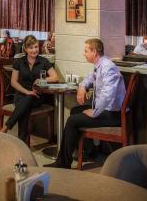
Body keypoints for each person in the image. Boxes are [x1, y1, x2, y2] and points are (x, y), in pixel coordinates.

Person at [45, 38, 126, 169]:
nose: (84, 53)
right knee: (75, 111)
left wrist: (95, 112)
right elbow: (90, 78)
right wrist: (82, 87)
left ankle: (63, 163)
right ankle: (88, 152)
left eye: (86, 51)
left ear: (95, 52)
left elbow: (107, 95)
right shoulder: (99, 65)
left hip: (113, 114)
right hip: (107, 110)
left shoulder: (108, 67)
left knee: (72, 120)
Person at [0, 35, 58, 143]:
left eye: (36, 47)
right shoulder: (19, 61)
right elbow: (13, 82)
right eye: (31, 48)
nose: (34, 50)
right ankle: (22, 143)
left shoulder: (43, 61)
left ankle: (7, 127)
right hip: (21, 95)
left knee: (29, 99)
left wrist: (42, 80)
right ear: (25, 49)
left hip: (37, 97)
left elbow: (55, 77)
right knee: (26, 105)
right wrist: (27, 92)